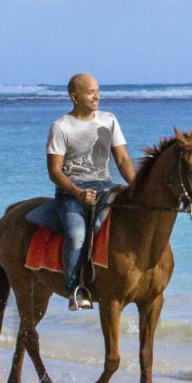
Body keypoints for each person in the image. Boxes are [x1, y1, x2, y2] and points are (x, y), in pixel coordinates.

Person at [46, 73, 134, 309]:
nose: (97, 96)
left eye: (97, 90)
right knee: (77, 235)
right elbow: (54, 172)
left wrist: (135, 186)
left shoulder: (109, 120)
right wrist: (77, 193)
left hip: (105, 187)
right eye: (90, 92)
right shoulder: (61, 127)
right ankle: (75, 290)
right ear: (74, 97)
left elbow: (123, 159)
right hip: (72, 193)